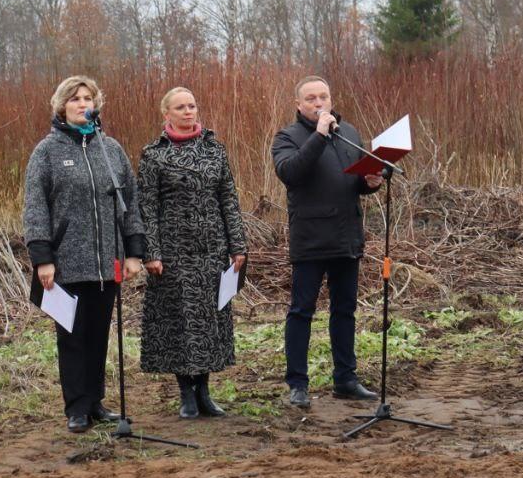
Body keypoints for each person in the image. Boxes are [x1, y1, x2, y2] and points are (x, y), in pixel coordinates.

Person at [24, 76, 145, 433]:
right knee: (73, 337)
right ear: (62, 106)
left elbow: (130, 202)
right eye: (75, 99)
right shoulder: (47, 152)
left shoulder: (111, 150)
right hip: (66, 262)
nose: (82, 104)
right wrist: (42, 257)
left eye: (87, 98)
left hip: (108, 261)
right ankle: (76, 406)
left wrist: (133, 250)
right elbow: (35, 207)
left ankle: (95, 402)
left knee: (98, 334)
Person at [272, 76, 384, 409]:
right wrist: (319, 134)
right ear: (299, 104)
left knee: (345, 310)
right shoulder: (287, 137)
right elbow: (291, 173)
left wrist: (370, 183)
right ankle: (297, 384)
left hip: (346, 235)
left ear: (331, 100)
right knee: (301, 311)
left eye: (323, 97)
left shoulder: (348, 132)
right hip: (310, 239)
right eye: (311, 98)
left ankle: (345, 379)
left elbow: (354, 183)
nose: (319, 103)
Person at [137, 87, 249, 419]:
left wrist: (238, 245)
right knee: (179, 322)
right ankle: (186, 393)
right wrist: (151, 252)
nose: (188, 111)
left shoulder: (215, 149)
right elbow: (147, 207)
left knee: (209, 322)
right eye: (180, 107)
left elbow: (228, 199)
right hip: (173, 253)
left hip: (212, 250)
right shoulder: (153, 155)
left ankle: (204, 392)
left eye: (192, 106)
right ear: (166, 114)